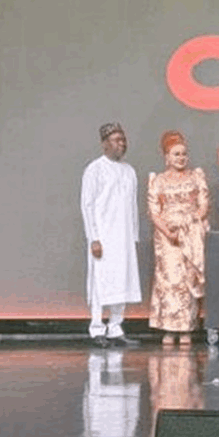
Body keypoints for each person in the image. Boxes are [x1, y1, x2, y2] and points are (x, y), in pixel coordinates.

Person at [80, 122, 142, 347]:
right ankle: (96, 328)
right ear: (105, 144)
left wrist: (133, 236)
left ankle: (115, 328)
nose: (122, 144)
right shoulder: (95, 169)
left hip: (124, 238)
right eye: (117, 140)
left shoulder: (129, 171)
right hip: (103, 237)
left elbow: (133, 207)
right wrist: (93, 237)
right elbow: (87, 205)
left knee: (122, 280)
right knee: (100, 282)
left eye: (123, 140)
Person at [147, 130, 210, 346]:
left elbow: (203, 206)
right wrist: (168, 232)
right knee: (169, 280)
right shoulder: (158, 181)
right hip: (167, 238)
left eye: (184, 154)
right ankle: (168, 328)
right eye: (176, 154)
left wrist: (191, 222)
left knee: (187, 280)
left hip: (191, 234)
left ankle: (186, 328)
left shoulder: (196, 177)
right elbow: (154, 212)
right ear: (167, 157)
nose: (181, 158)